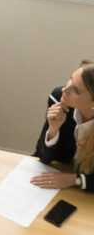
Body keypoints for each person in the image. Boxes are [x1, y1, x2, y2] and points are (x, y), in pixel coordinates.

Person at [32, 61, 94, 191]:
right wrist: (53, 130)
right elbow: (43, 156)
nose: (65, 89)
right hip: (59, 175)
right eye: (71, 79)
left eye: (76, 90)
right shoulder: (58, 97)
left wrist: (75, 179)